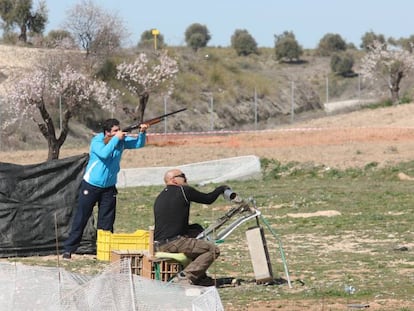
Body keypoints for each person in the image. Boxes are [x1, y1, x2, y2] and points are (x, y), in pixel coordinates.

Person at [62, 118, 149, 259]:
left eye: (119, 130)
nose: (119, 132)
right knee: (82, 217)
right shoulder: (97, 141)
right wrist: (116, 139)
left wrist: (142, 132)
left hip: (109, 187)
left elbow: (139, 144)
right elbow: (104, 153)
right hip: (91, 185)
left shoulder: (120, 140)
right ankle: (69, 249)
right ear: (107, 132)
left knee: (107, 221)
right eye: (115, 131)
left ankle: (104, 250)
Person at [153, 168, 229, 286]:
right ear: (174, 180)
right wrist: (221, 189)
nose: (186, 178)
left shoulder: (161, 196)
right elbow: (208, 199)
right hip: (175, 242)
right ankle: (185, 276)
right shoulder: (184, 191)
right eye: (182, 176)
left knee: (197, 229)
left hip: (159, 244)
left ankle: (201, 278)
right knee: (212, 250)